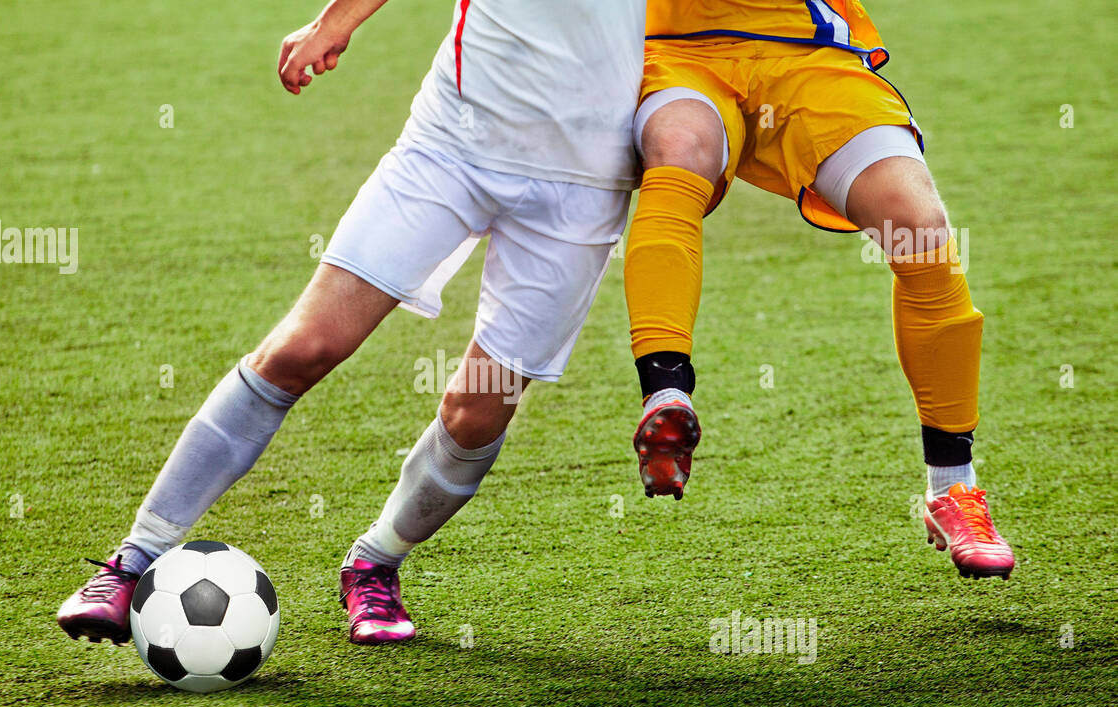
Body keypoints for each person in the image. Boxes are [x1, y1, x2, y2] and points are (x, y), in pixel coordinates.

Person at [58, 0, 649, 645]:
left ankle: (375, 562)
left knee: (477, 410)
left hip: (585, 184)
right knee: (302, 348)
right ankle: (132, 562)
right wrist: (337, 20)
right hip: (451, 149)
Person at [625, 0, 1014, 578]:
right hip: (675, 50)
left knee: (918, 226)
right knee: (682, 150)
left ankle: (954, 488)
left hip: (808, 51)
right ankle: (665, 395)